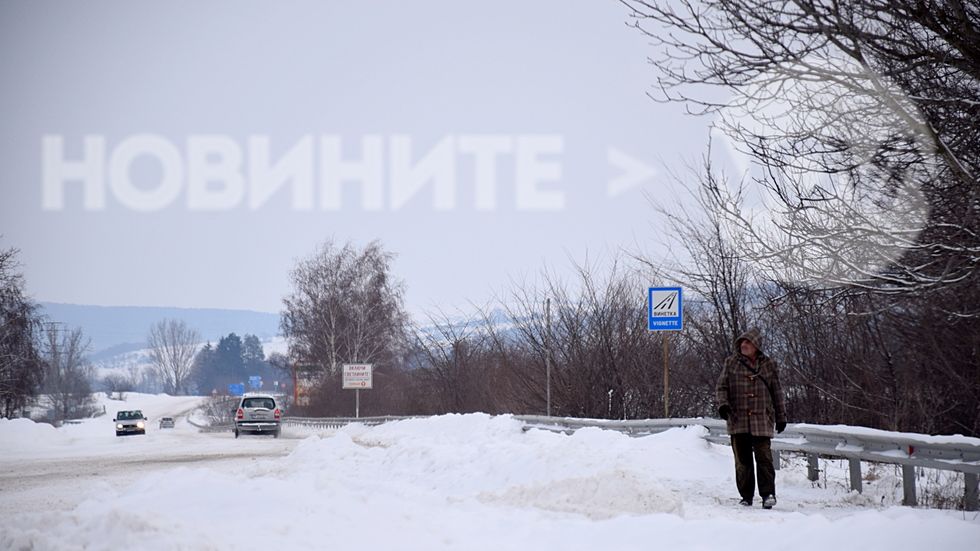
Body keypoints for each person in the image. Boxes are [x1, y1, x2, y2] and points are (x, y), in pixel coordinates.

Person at [716, 327, 788, 509]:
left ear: (756, 345)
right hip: (738, 419)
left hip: (762, 419)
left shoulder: (770, 364)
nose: (743, 345)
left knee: (764, 458)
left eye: (747, 342)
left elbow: (777, 392)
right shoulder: (731, 363)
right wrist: (723, 405)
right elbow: (721, 387)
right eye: (742, 342)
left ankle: (768, 494)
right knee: (742, 461)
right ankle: (746, 496)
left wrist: (781, 416)